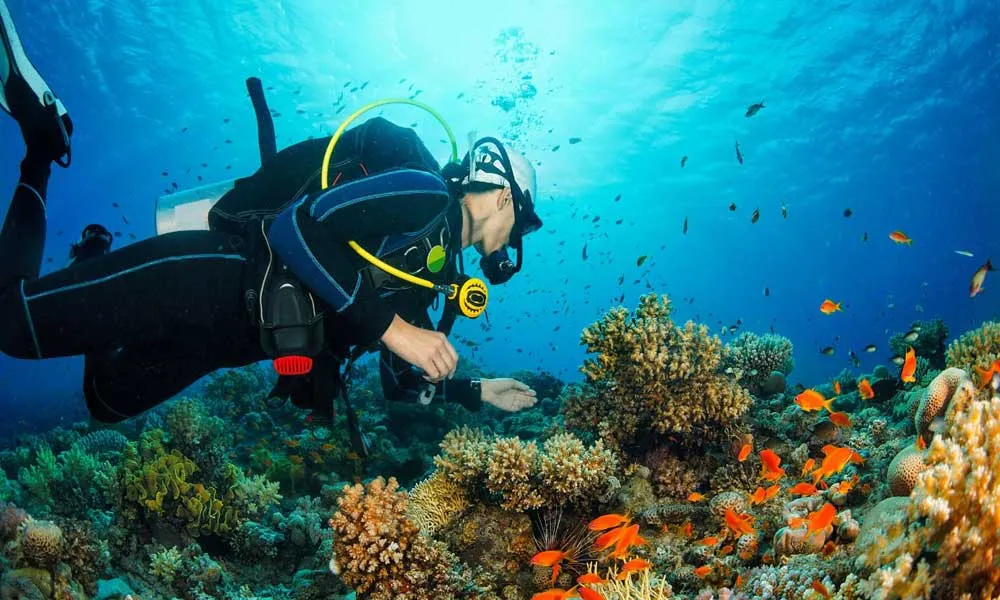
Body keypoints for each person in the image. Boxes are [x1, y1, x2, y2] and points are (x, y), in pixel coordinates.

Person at [0, 3, 540, 452]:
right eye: (521, 219)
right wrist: (399, 332)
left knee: (106, 399)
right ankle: (43, 149)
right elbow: (298, 229)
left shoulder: (433, 281)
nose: (517, 240)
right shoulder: (423, 193)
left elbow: (400, 381)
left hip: (228, 342)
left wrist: (473, 390)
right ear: (497, 195)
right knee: (11, 325)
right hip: (218, 276)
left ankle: (90, 258)